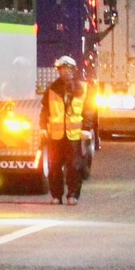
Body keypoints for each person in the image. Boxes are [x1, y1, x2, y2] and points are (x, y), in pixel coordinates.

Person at [41, 55, 97, 204]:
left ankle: (72, 195)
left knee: (74, 166)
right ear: (59, 71)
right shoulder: (52, 88)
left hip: (74, 135)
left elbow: (89, 110)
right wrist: (42, 127)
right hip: (56, 135)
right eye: (62, 69)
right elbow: (45, 110)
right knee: (54, 167)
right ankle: (56, 196)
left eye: (68, 69)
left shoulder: (83, 88)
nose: (66, 72)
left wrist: (86, 128)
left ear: (74, 70)